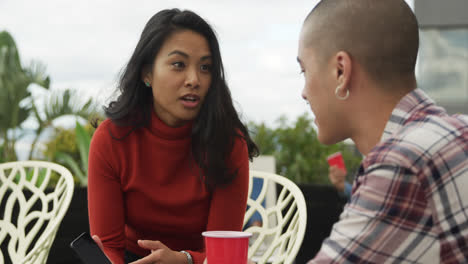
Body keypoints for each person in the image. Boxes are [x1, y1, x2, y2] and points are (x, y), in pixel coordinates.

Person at [297, 0, 468, 263]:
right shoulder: (458, 130)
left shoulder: (402, 163)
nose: (304, 92)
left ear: (341, 71)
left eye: (304, 70)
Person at [88, 9, 258, 264]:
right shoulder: (111, 139)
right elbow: (109, 246)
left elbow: (224, 256)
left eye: (206, 67)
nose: (194, 79)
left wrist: (184, 259)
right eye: (179, 64)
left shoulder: (228, 143)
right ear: (147, 73)